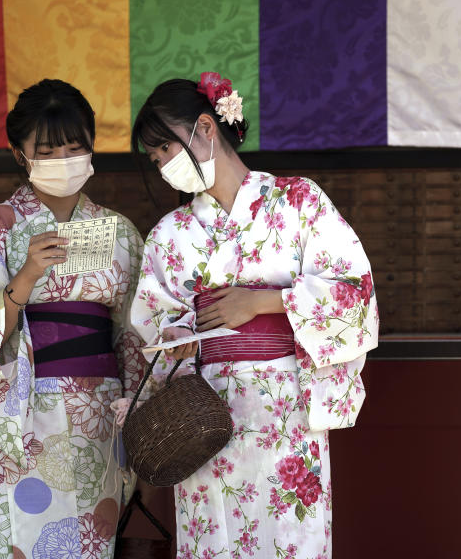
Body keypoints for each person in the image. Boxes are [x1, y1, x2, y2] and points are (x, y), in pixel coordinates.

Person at [126, 72, 378, 558]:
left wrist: (261, 301)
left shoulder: (298, 201)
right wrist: (177, 335)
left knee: (291, 540)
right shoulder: (169, 235)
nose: (162, 166)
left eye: (166, 150)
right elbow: (154, 318)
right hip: (204, 419)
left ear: (205, 127)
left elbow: (354, 293)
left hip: (288, 410)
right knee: (214, 537)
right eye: (155, 160)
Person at [0, 79, 145, 559]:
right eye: (48, 151)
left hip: (101, 421)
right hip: (26, 419)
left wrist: (133, 406)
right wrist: (25, 277)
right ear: (19, 154)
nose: (64, 160)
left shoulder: (121, 234)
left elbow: (136, 335)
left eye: (76, 148)